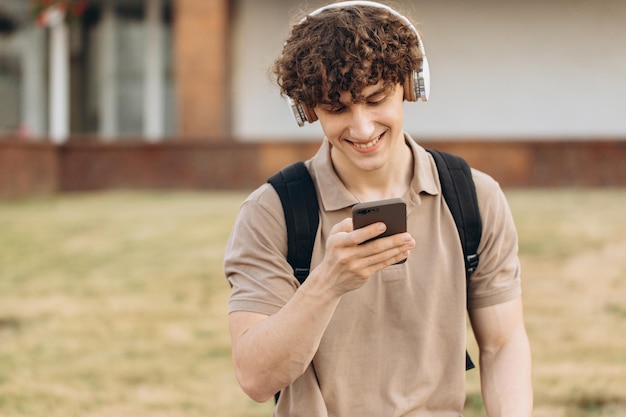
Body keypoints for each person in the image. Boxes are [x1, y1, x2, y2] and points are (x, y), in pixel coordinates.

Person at [224, 1, 533, 416]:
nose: (363, 128)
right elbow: (256, 378)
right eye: (337, 109)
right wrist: (328, 282)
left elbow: (502, 343)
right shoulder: (271, 213)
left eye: (375, 99)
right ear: (307, 108)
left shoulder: (474, 196)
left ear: (409, 85)